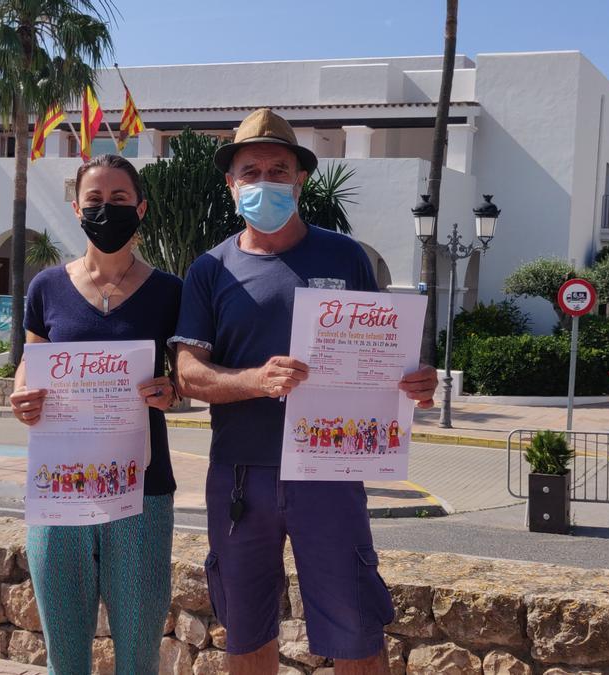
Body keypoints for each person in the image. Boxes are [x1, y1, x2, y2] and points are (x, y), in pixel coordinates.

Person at [171, 108, 438, 675]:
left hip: (331, 474)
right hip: (242, 476)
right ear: (231, 183)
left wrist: (414, 378)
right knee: (245, 634)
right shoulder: (209, 270)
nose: (264, 181)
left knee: (357, 631)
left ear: (301, 179)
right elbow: (187, 372)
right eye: (251, 171)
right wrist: (256, 380)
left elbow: (384, 350)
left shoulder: (345, 256)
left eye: (278, 168)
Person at [8, 154, 180, 675]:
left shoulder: (170, 292)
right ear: (78, 210)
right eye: (95, 202)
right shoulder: (46, 288)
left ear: (141, 208)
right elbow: (28, 364)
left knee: (137, 651)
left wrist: (170, 393)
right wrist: (21, 398)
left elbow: (184, 377)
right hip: (60, 488)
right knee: (65, 651)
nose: (107, 211)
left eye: (120, 200)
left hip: (142, 489)